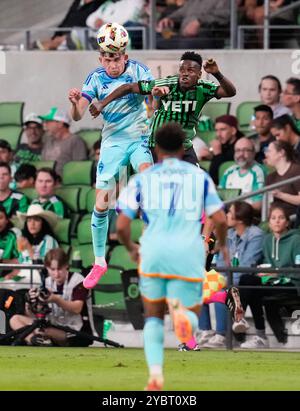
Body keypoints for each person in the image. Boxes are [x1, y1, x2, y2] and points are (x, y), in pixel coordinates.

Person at [116, 123, 229, 390]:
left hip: (154, 249)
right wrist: (221, 243)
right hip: (188, 250)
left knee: (154, 316)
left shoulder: (143, 178)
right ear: (183, 148)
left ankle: (155, 376)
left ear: (155, 148)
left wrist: (131, 247)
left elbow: (121, 225)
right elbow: (220, 219)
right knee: (187, 309)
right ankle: (185, 322)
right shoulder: (198, 176)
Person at [68, 23, 154, 288]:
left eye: (116, 58)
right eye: (107, 58)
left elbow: (152, 99)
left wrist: (155, 101)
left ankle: (155, 249)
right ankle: (99, 261)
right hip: (113, 143)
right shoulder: (95, 78)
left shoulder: (139, 70)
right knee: (101, 203)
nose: (111, 63)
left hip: (139, 137)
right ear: (100, 58)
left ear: (124, 56)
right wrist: (74, 103)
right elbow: (78, 115)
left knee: (149, 182)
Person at [89, 51, 236, 166]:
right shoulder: (166, 84)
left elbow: (230, 92)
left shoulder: (204, 88)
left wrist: (216, 73)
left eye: (190, 70)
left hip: (183, 145)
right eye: (182, 69)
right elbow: (128, 87)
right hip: (158, 146)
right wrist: (102, 103)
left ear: (199, 74)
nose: (185, 73)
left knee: (193, 183)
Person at [199, 201, 264, 348]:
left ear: (239, 218)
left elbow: (247, 265)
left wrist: (222, 279)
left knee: (220, 287)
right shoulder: (229, 234)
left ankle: (221, 335)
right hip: (229, 276)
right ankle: (206, 330)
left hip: (245, 280)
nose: (226, 215)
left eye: (229, 212)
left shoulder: (256, 235)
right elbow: (222, 262)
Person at [9, 248, 93, 347]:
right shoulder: (47, 281)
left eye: (60, 269)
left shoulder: (79, 280)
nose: (56, 274)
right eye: (52, 269)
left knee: (43, 331)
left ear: (67, 266)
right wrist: (32, 302)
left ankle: (41, 339)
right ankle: (33, 339)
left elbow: (77, 308)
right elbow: (37, 315)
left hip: (77, 331)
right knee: (15, 319)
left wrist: (56, 299)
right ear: (47, 268)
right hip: (53, 325)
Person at [219, 137, 265, 211]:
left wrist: (236, 211)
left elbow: (258, 204)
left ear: (253, 153)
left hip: (245, 217)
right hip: (227, 213)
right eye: (238, 150)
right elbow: (219, 196)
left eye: (245, 150)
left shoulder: (258, 171)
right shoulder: (229, 171)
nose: (241, 154)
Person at [41, 107, 88, 177]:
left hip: (64, 184)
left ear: (60, 124)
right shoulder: (48, 141)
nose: (45, 125)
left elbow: (79, 168)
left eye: (48, 122)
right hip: (46, 181)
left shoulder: (75, 141)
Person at [265, 140, 300, 218]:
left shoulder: (297, 170)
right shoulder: (270, 177)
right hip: (274, 220)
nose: (266, 154)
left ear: (281, 153)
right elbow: (268, 205)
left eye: (269, 151)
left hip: (293, 218)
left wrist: (280, 195)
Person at [208, 115, 243, 184]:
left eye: (222, 130)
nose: (218, 134)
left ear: (233, 131)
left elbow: (219, 176)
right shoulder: (223, 145)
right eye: (216, 130)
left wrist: (217, 153)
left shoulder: (241, 147)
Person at [0, 205, 19, 279]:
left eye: (0, 218)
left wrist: (2, 261)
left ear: (7, 220)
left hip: (7, 279)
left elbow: (21, 260)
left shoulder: (13, 235)